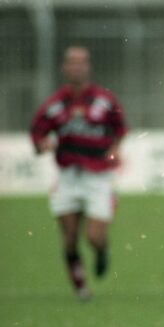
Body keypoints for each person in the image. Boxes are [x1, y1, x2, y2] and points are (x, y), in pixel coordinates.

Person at [29, 46, 128, 301]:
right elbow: (37, 135)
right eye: (72, 62)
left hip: (98, 176)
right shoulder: (55, 105)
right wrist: (42, 145)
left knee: (93, 237)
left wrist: (115, 148)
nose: (77, 67)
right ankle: (81, 287)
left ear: (88, 67)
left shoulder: (104, 100)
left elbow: (120, 129)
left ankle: (102, 250)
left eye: (81, 62)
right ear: (64, 68)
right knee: (70, 238)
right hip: (68, 177)